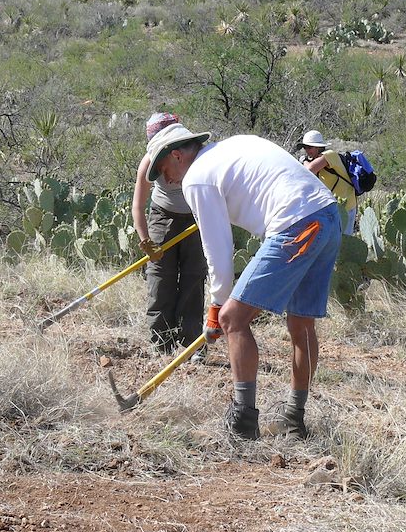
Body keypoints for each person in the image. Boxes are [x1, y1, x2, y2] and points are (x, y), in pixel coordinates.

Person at [144, 125, 342, 440]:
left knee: (232, 318)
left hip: (298, 224)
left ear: (177, 155)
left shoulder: (198, 178)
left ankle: (243, 423)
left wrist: (216, 307)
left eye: (163, 169)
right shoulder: (234, 145)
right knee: (301, 324)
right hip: (328, 215)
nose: (166, 179)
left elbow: (219, 253)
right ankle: (294, 420)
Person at [132, 113, 207, 356]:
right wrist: (145, 240)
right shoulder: (148, 162)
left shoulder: (195, 156)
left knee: (193, 278)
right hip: (162, 217)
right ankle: (161, 343)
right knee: (160, 277)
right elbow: (138, 205)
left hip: (196, 220)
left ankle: (191, 344)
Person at [298, 130, 358, 234]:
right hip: (333, 208)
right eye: (305, 147)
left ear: (318, 147)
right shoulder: (316, 160)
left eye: (309, 147)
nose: (307, 150)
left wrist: (303, 160)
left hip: (346, 206)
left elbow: (309, 170)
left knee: (344, 242)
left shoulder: (329, 155)